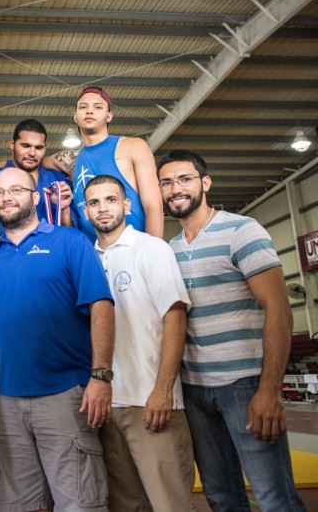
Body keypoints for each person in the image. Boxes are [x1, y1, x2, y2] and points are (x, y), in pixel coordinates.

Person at [157, 150, 306, 512]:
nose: (175, 188)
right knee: (221, 498)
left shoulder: (241, 230)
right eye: (166, 182)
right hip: (194, 391)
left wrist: (269, 389)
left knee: (275, 498)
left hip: (244, 386)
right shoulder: (169, 251)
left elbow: (279, 309)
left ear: (205, 183)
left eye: (184, 179)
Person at [0, 167, 114, 512]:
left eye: (16, 189)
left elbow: (101, 306)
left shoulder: (69, 241)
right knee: (17, 505)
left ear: (35, 197)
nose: (7, 197)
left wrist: (100, 376)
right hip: (6, 400)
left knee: (80, 503)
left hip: (65, 396)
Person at [83, 174, 196, 512]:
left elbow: (175, 317)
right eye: (94, 202)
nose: (103, 208)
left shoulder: (151, 249)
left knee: (169, 503)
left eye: (111, 200)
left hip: (150, 402)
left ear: (126, 205)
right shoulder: (87, 259)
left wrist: (163, 390)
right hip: (106, 405)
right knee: (126, 505)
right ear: (85, 211)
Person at [51, 86, 163, 241]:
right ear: (76, 116)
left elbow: (154, 205)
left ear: (109, 116)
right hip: (95, 255)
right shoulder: (70, 160)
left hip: (135, 250)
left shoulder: (132, 147)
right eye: (83, 107)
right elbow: (30, 159)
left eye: (98, 107)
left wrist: (154, 251)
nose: (89, 111)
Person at [0, 119, 79, 228]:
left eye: (38, 148)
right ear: (12, 144)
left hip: (53, 244)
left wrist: (64, 209)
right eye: (25, 146)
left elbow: (72, 231)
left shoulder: (59, 181)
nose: (32, 153)